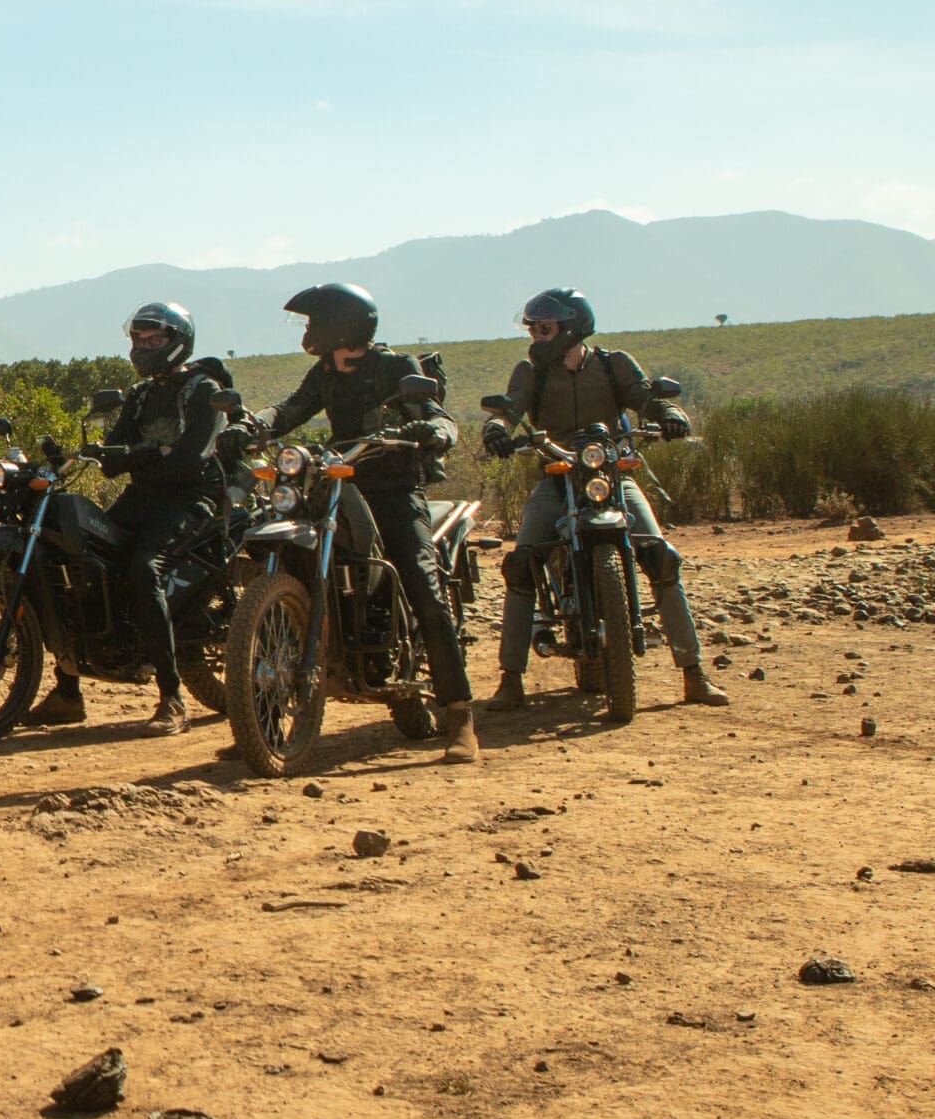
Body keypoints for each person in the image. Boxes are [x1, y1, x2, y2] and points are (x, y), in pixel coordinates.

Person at [243, 284, 479, 764]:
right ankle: (259, 722)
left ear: (342, 326)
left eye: (314, 322)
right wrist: (252, 425)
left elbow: (439, 415)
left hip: (392, 488)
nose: (308, 331)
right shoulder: (324, 372)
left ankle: (460, 715)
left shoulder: (396, 368)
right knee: (288, 557)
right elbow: (289, 409)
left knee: (422, 582)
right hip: (339, 485)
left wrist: (434, 431)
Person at [481, 288, 729, 711]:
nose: (537, 337)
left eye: (544, 329)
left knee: (661, 557)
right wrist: (496, 429)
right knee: (521, 562)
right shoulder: (530, 373)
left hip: (611, 477)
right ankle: (510, 679)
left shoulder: (614, 365)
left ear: (571, 328)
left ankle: (693, 674)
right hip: (557, 478)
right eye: (535, 330)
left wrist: (669, 415)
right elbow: (510, 408)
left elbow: (644, 398)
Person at [81, 303, 225, 736]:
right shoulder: (141, 396)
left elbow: (189, 461)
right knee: (83, 557)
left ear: (178, 343)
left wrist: (137, 457)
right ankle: (67, 691)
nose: (143, 347)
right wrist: (112, 453)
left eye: (154, 340)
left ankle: (171, 697)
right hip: (142, 497)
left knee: (146, 568)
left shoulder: (205, 390)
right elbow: (111, 459)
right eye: (138, 340)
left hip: (192, 499)